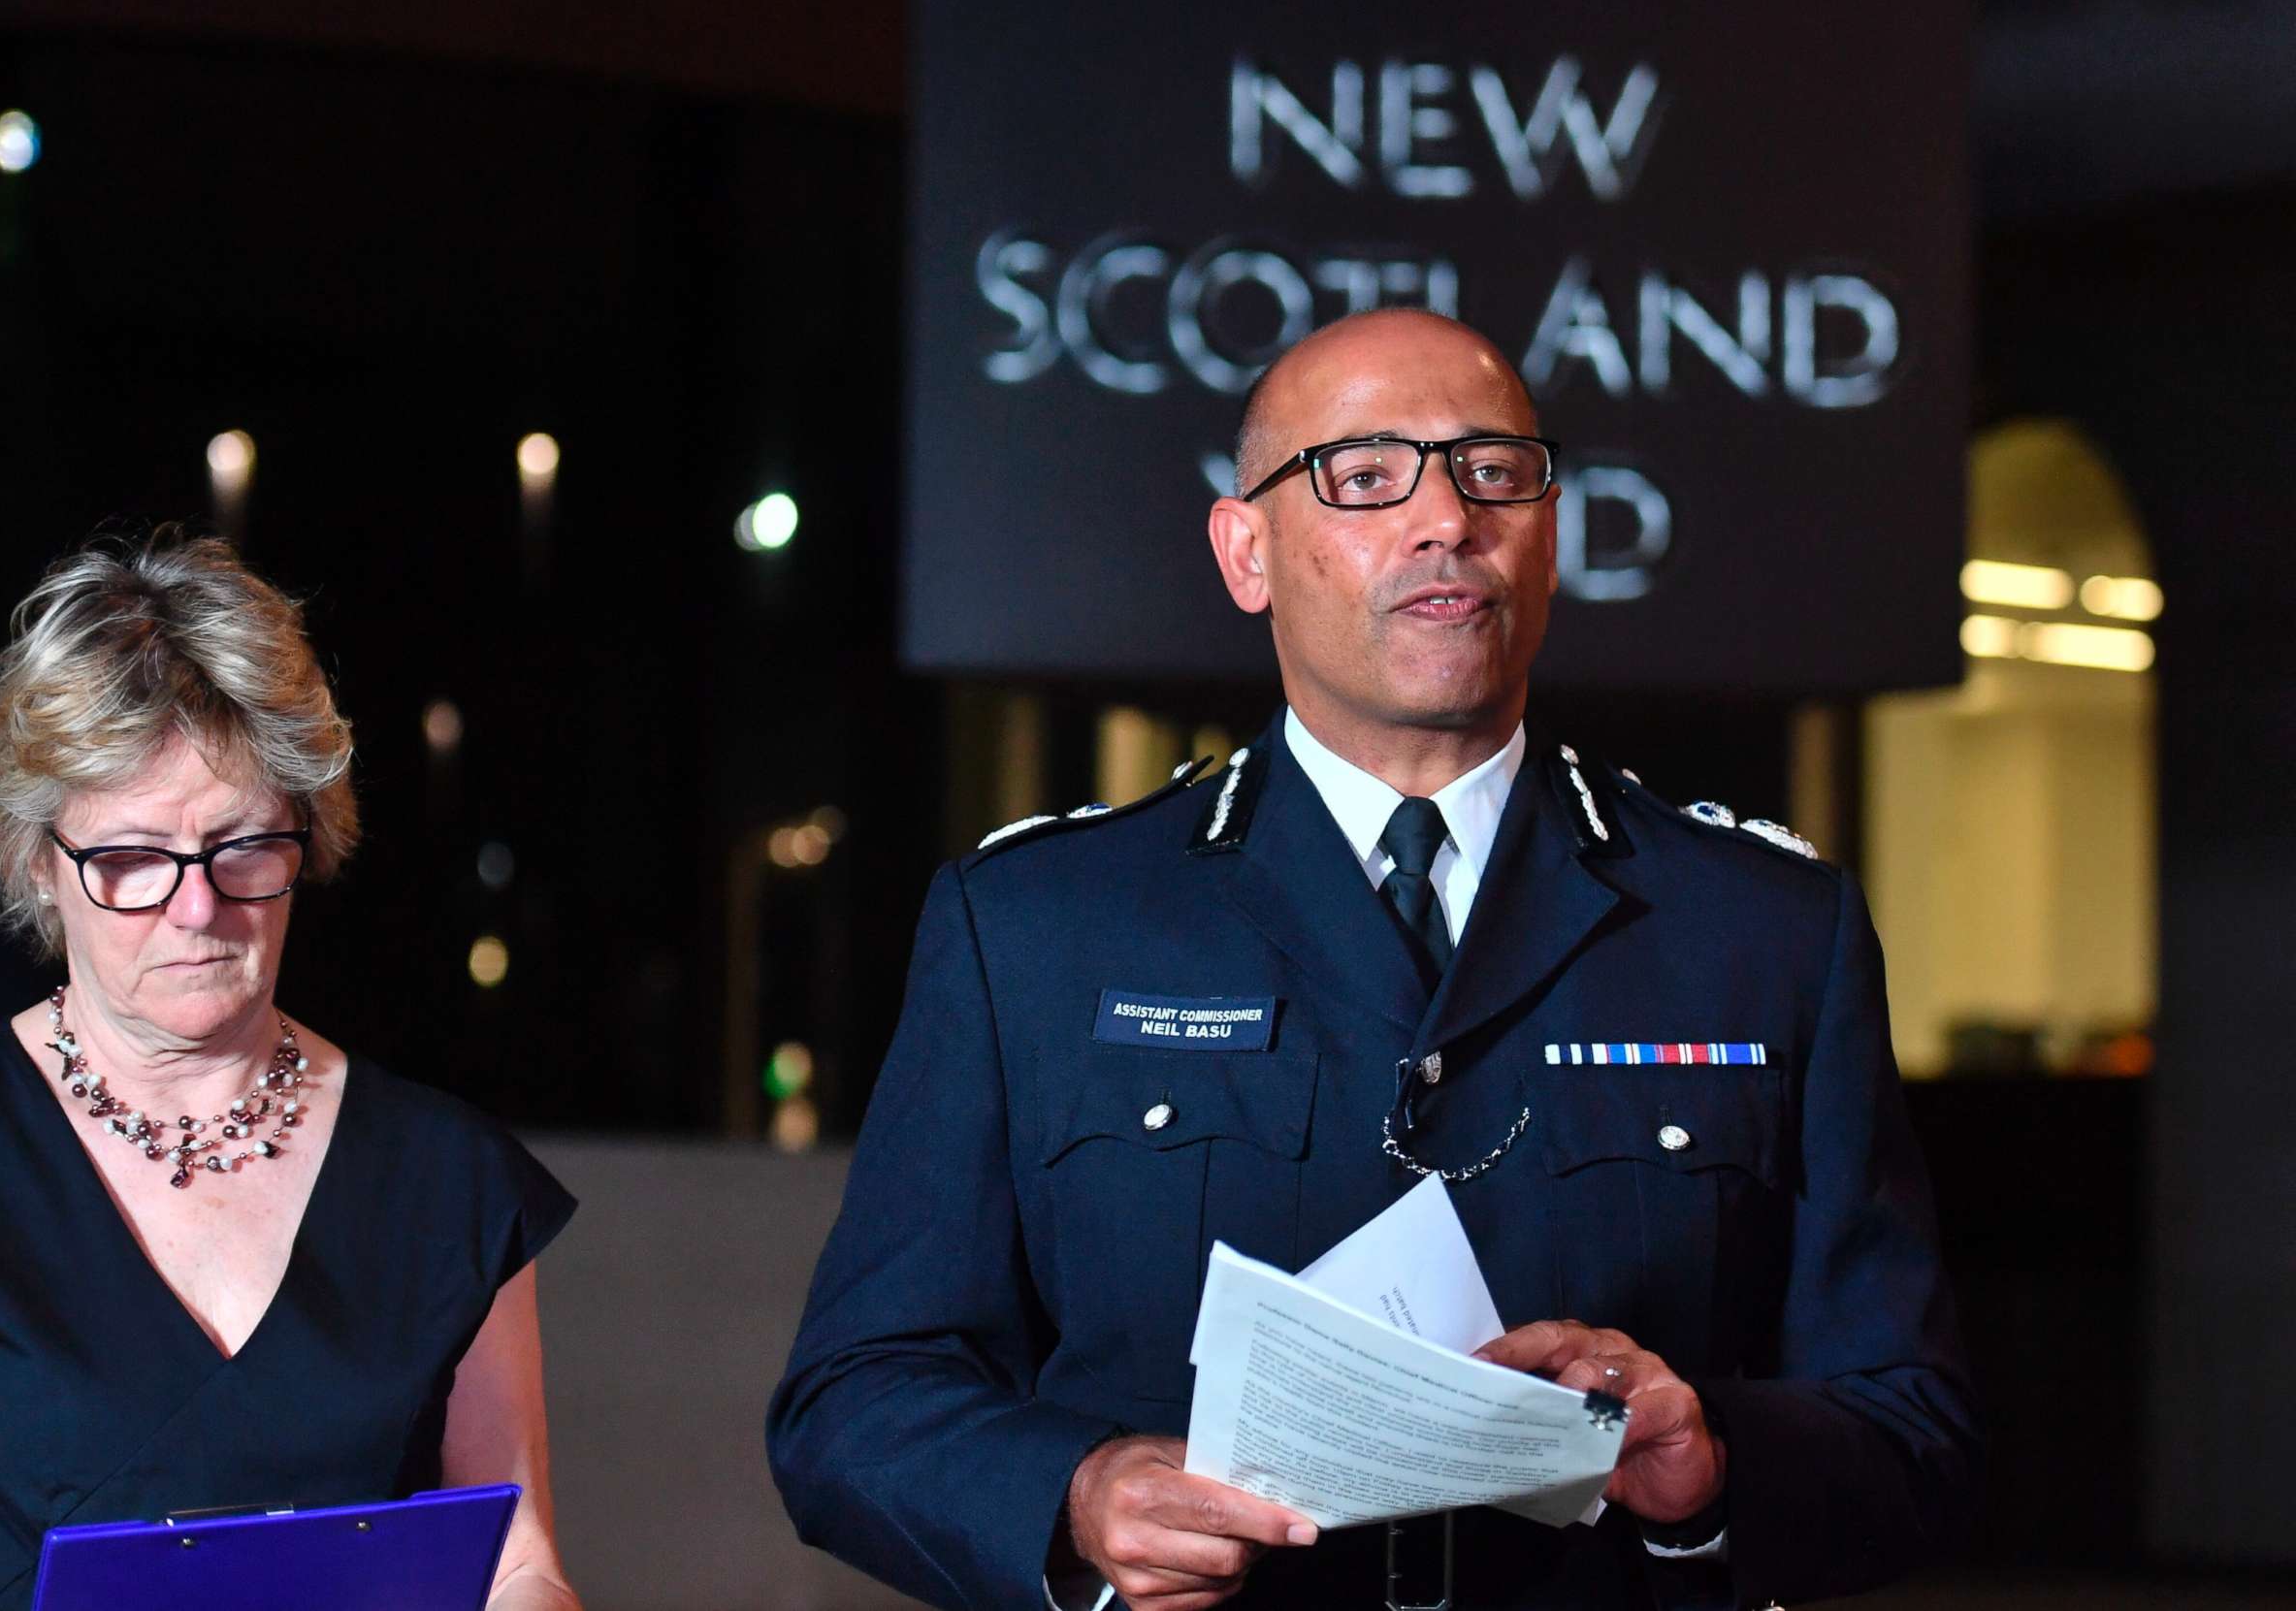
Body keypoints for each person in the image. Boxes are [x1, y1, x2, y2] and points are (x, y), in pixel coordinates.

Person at [768, 309, 1978, 1611]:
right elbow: (853, 1400)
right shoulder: (1039, 924)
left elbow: (1917, 1429)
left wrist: (1716, 1461)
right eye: (1363, 478)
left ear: (1552, 531)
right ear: (1248, 551)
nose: (1446, 520)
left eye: (1492, 471)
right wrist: (1070, 1494)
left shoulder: (1763, 928)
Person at [0, 532, 583, 1611]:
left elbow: (517, 1562)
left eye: (244, 845)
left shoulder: (453, 1181)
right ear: (36, 861)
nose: (198, 908)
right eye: (131, 859)